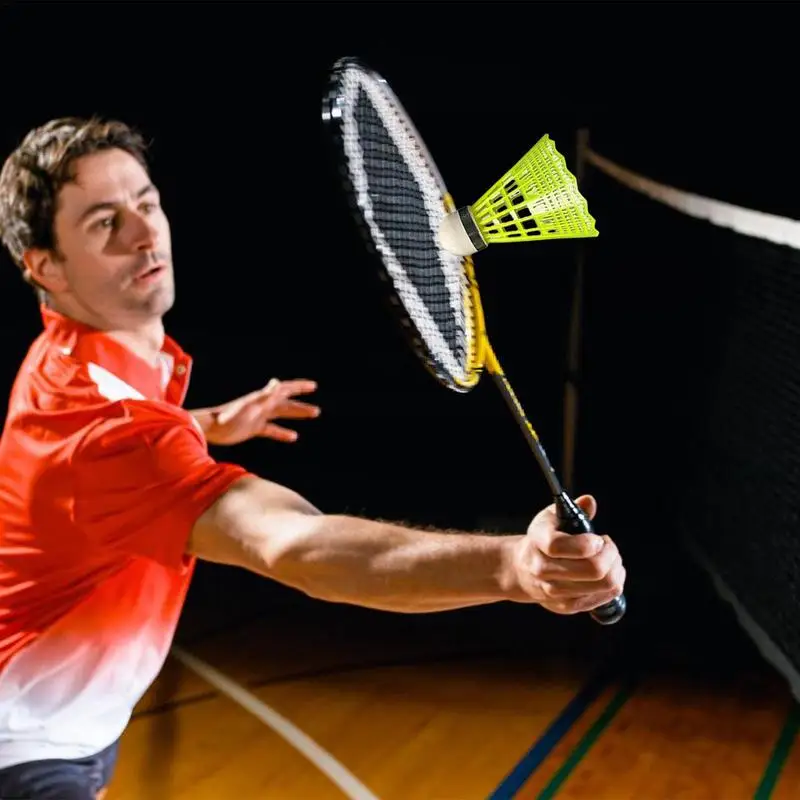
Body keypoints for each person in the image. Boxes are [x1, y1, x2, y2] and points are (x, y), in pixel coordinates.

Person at [0, 117, 626, 800]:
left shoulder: (70, 362)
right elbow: (296, 546)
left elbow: (99, 457)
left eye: (145, 203)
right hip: (26, 749)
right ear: (45, 267)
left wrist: (201, 424)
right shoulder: (115, 435)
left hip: (74, 726)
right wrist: (513, 567)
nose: (145, 234)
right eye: (103, 224)